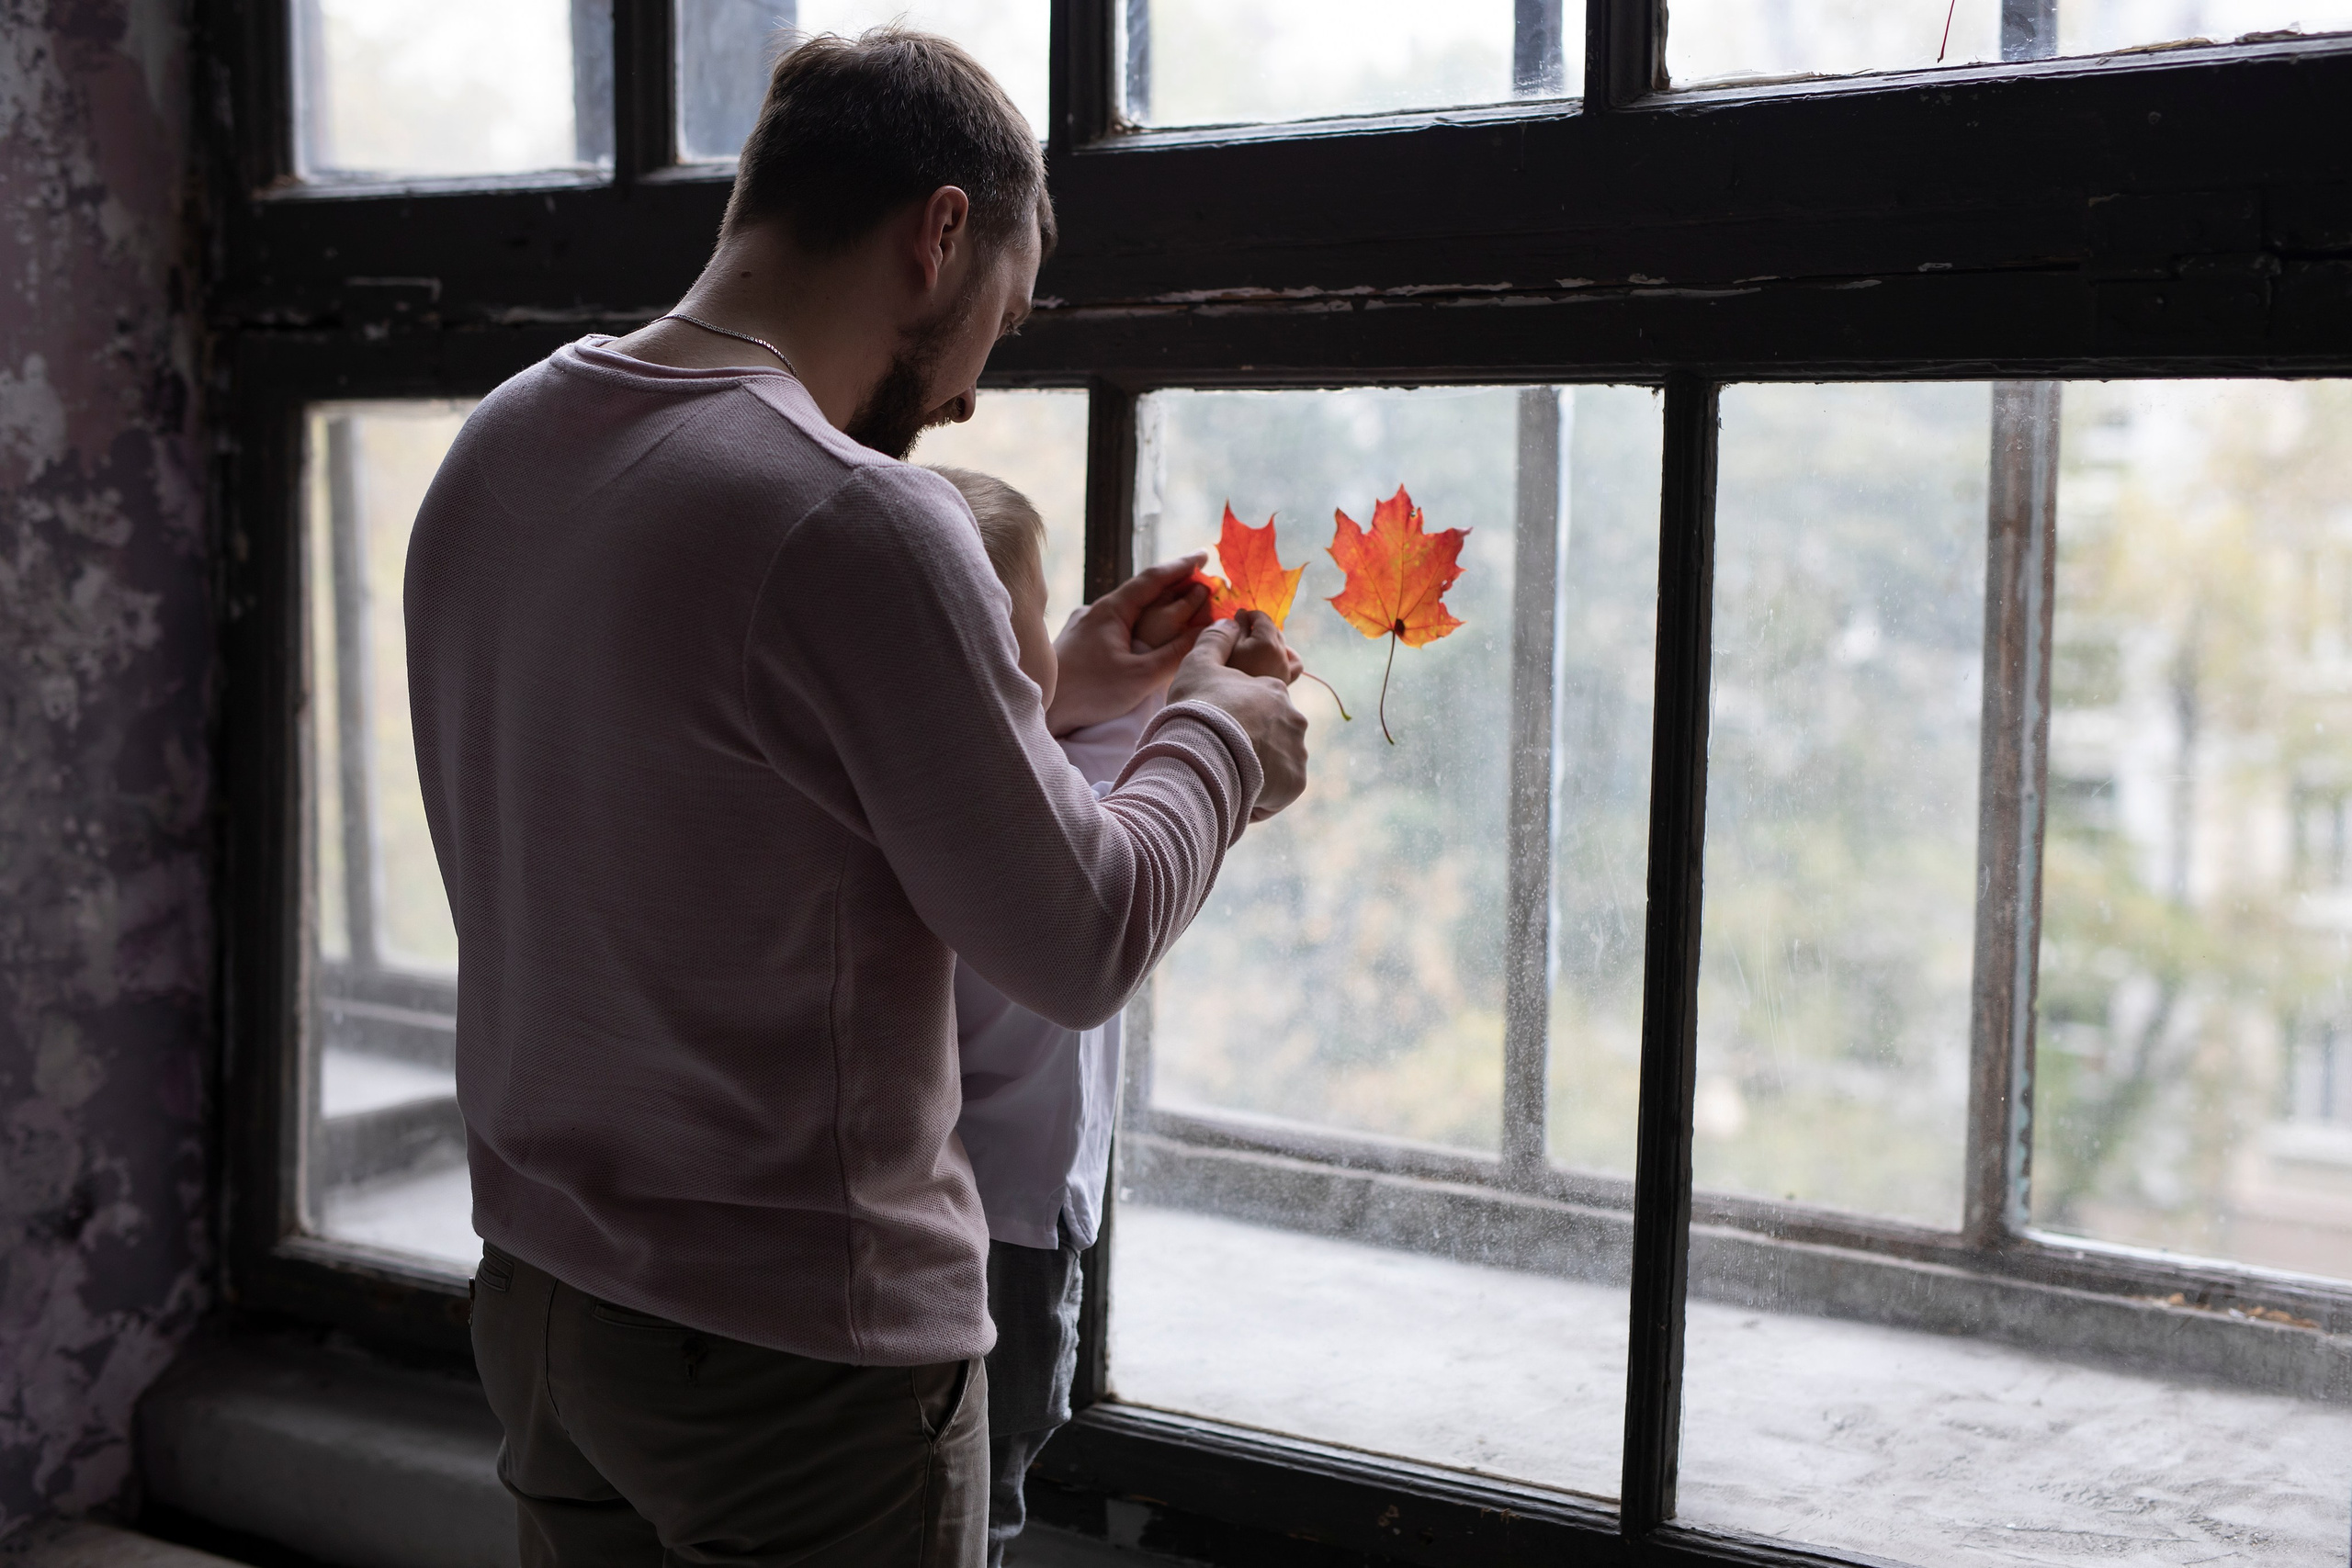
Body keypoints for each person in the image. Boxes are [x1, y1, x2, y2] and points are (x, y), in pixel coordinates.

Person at [402, 27, 1310, 1568]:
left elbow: (718, 770)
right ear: (938, 232)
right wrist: (1217, 737)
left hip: (546, 1300)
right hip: (791, 1360)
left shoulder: (502, 451)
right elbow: (1079, 940)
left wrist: (1050, 689)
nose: (965, 397)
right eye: (998, 322)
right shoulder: (856, 518)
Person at [927, 468, 1297, 1567]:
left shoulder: (987, 754)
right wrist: (1223, 742)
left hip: (1016, 1218)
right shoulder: (993, 815)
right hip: (984, 1233)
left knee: (980, 1491)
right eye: (1037, 618)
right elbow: (1104, 888)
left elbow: (1059, 760)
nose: (1057, 639)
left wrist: (1143, 689)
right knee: (968, 1504)